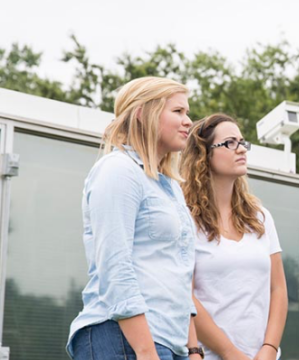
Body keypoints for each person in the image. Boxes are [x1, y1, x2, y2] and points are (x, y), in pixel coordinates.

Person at [67, 77, 203, 360]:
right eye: (178, 111)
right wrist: (146, 351)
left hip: (168, 344)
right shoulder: (118, 170)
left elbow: (180, 273)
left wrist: (193, 351)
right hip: (121, 338)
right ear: (143, 113)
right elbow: (116, 267)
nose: (188, 121)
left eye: (187, 112)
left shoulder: (171, 187)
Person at [180, 113, 288, 360]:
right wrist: (231, 354)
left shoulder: (261, 217)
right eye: (230, 143)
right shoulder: (185, 217)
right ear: (204, 154)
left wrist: (269, 349)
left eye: (242, 142)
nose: (241, 149)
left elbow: (278, 289)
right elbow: (185, 295)